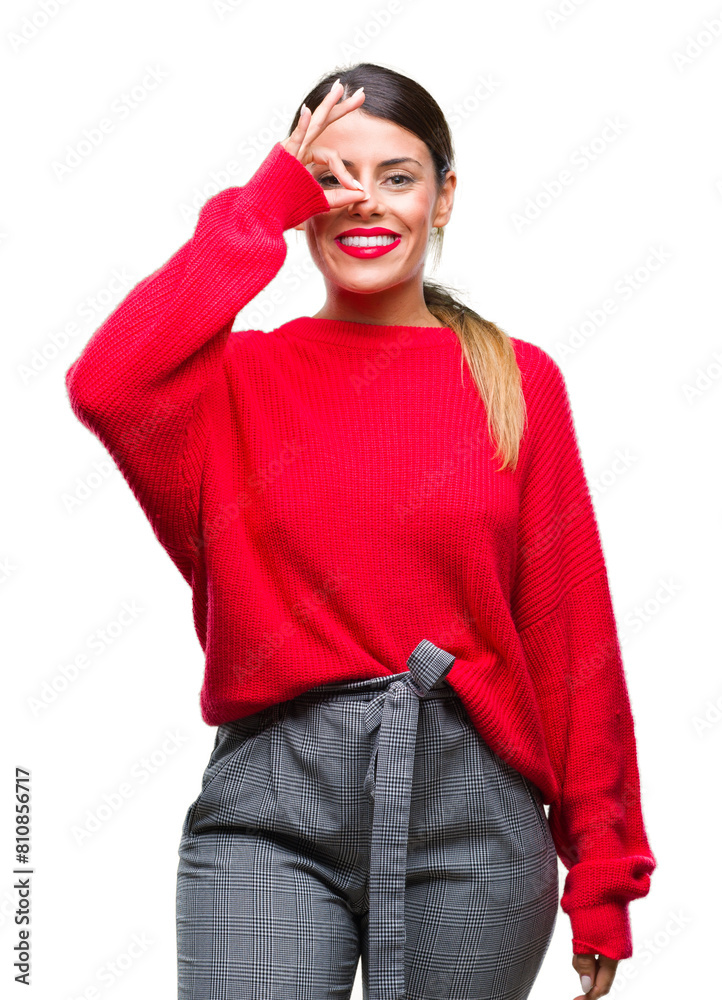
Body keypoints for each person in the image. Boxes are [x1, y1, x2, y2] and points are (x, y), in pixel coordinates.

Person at [64, 63, 656, 1000]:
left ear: (444, 196)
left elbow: (571, 632)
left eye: (397, 175)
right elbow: (107, 382)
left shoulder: (518, 382)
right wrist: (264, 200)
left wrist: (603, 867)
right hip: (271, 804)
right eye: (332, 176)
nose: (362, 202)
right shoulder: (237, 383)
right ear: (303, 196)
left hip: (475, 819)